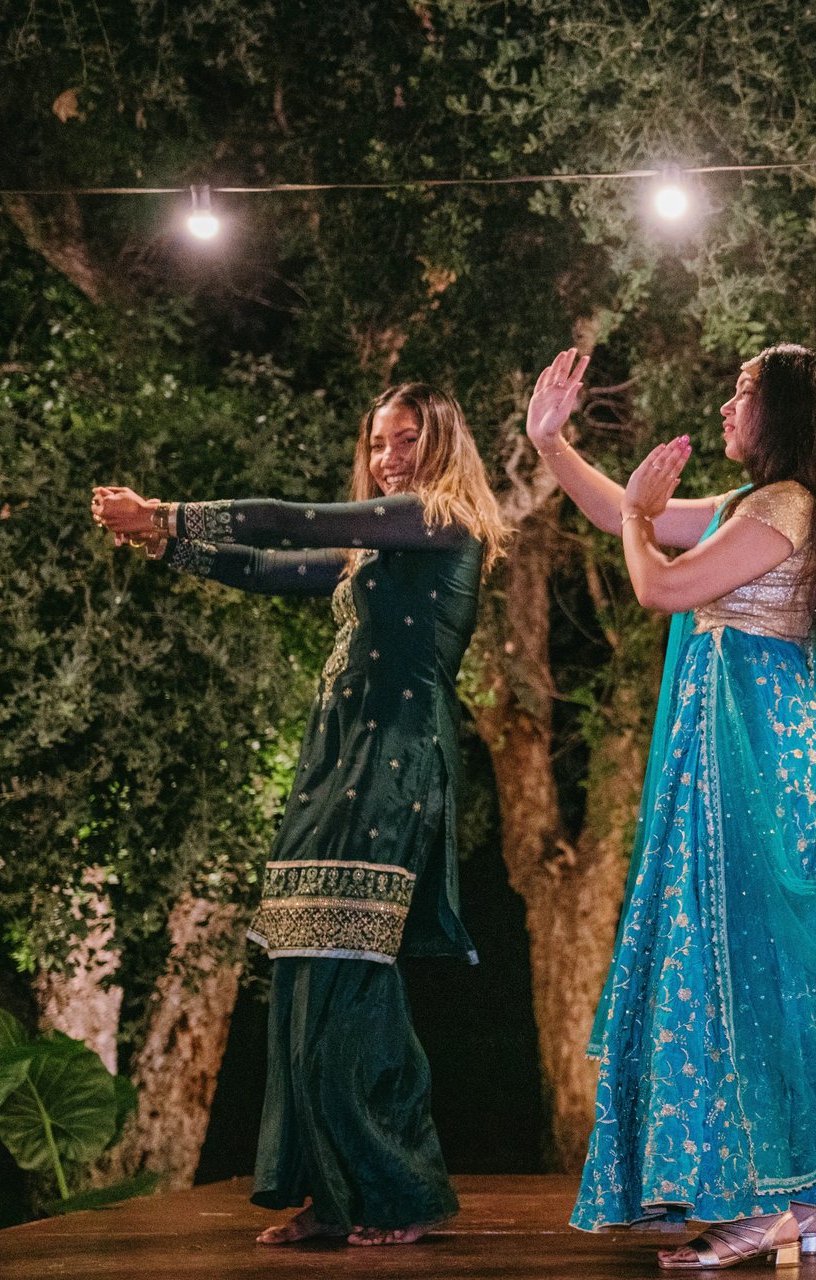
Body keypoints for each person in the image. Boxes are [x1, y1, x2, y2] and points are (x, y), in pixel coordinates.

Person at [90, 383, 510, 1246]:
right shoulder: (375, 554)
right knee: (304, 967)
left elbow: (294, 521)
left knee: (351, 969)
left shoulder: (440, 520)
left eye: (409, 439)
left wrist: (169, 509)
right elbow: (263, 566)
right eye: (381, 441)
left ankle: (403, 1194)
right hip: (337, 764)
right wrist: (162, 545)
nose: (392, 455)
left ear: (442, 445)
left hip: (393, 763)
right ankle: (331, 1192)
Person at [525, 345, 816, 1269]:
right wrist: (554, 445)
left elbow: (659, 584)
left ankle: (770, 1201)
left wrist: (645, 521)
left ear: (786, 414)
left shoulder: (785, 505)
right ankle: (798, 1204)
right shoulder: (756, 504)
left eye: (743, 393)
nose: (728, 406)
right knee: (755, 969)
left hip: (764, 763)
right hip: (747, 753)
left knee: (749, 967)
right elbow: (629, 513)